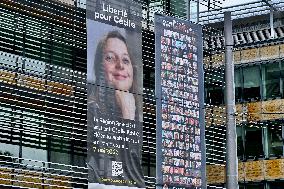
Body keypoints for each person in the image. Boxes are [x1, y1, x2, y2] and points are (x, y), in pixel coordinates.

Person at [89, 30, 141, 121]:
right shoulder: (89, 113)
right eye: (110, 58)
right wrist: (128, 115)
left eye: (125, 60)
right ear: (99, 67)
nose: (120, 65)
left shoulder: (142, 119)